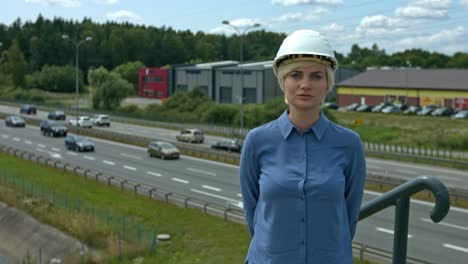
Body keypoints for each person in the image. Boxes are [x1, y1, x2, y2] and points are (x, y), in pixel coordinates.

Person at [239, 29, 366, 264]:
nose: (305, 85)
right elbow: (253, 212)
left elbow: (350, 216)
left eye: (316, 76)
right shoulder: (257, 141)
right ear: (283, 81)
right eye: (295, 75)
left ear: (328, 83)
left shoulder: (349, 144)